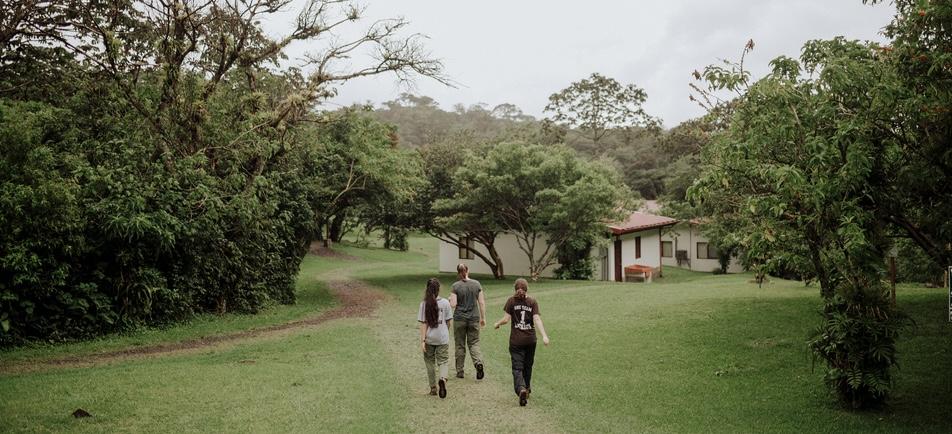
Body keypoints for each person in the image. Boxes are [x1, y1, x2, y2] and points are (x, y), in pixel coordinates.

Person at [494, 278, 550, 407]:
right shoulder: (532, 301)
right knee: (528, 366)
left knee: (517, 367)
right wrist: (544, 336)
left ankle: (521, 389)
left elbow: (506, 319)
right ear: (527, 288)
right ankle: (528, 388)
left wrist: (497, 324)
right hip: (531, 340)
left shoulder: (511, 301)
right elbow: (537, 319)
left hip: (516, 341)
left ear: (515, 288)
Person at [450, 263, 487, 380]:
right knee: (474, 343)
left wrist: (450, 298)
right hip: (474, 318)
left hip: (459, 319)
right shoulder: (477, 284)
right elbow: (481, 302)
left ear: (458, 272)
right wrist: (483, 318)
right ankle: (478, 363)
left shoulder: (455, 286)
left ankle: (460, 371)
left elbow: (453, 304)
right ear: (468, 270)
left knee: (460, 345)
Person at [418, 277, 453, 398]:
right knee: (443, 361)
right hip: (442, 338)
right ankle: (442, 379)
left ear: (427, 289)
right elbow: (449, 322)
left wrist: (423, 340)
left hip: (429, 338)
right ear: (438, 289)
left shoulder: (424, 304)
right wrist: (445, 332)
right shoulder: (445, 303)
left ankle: (433, 388)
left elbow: (423, 323)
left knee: (430, 362)